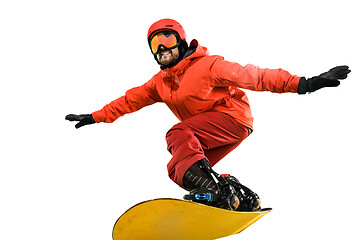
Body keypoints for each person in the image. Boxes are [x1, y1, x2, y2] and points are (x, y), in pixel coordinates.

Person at [66, 19, 350, 211]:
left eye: (167, 40)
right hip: (212, 132)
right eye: (155, 45)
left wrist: (305, 84)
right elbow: (130, 100)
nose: (163, 49)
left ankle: (216, 191)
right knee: (179, 168)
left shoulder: (207, 65)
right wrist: (96, 116)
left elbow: (254, 76)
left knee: (177, 134)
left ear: (181, 41)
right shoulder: (159, 83)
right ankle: (237, 195)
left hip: (232, 118)